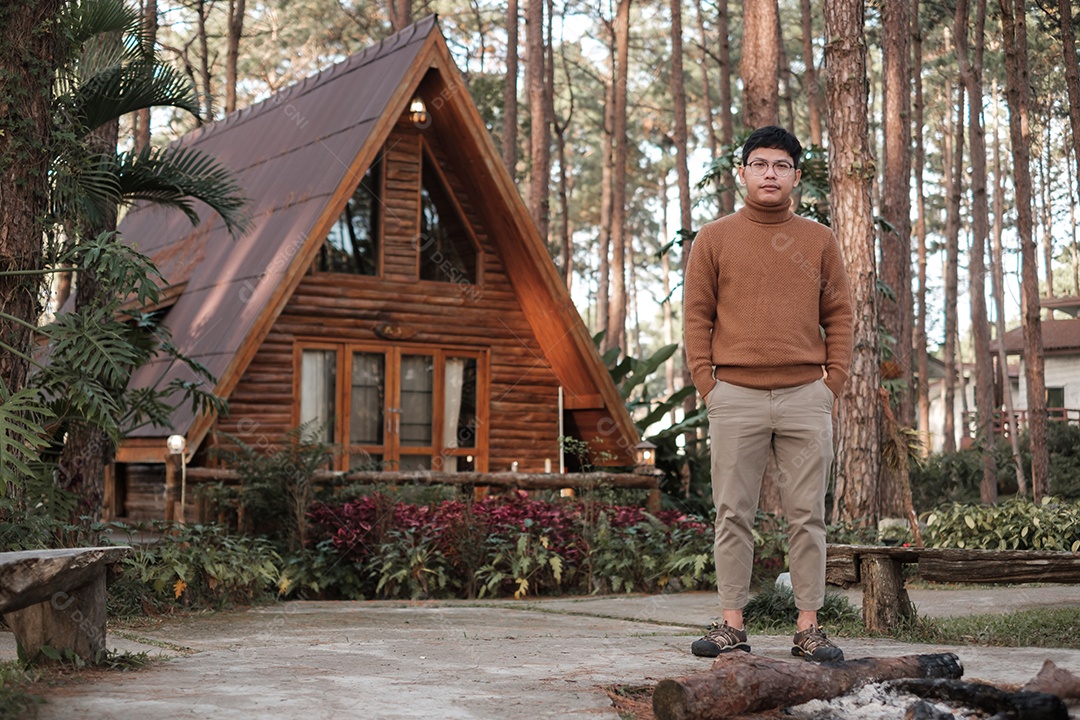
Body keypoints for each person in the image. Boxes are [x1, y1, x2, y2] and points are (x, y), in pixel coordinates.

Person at [682, 126, 854, 662]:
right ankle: (732, 624)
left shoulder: (819, 240)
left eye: (781, 166)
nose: (770, 174)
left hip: (807, 394)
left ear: (796, 177)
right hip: (734, 395)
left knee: (808, 515)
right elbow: (696, 317)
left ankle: (808, 627)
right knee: (733, 511)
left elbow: (840, 315)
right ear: (743, 173)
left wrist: (832, 384)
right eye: (760, 164)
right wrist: (708, 385)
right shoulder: (713, 238)